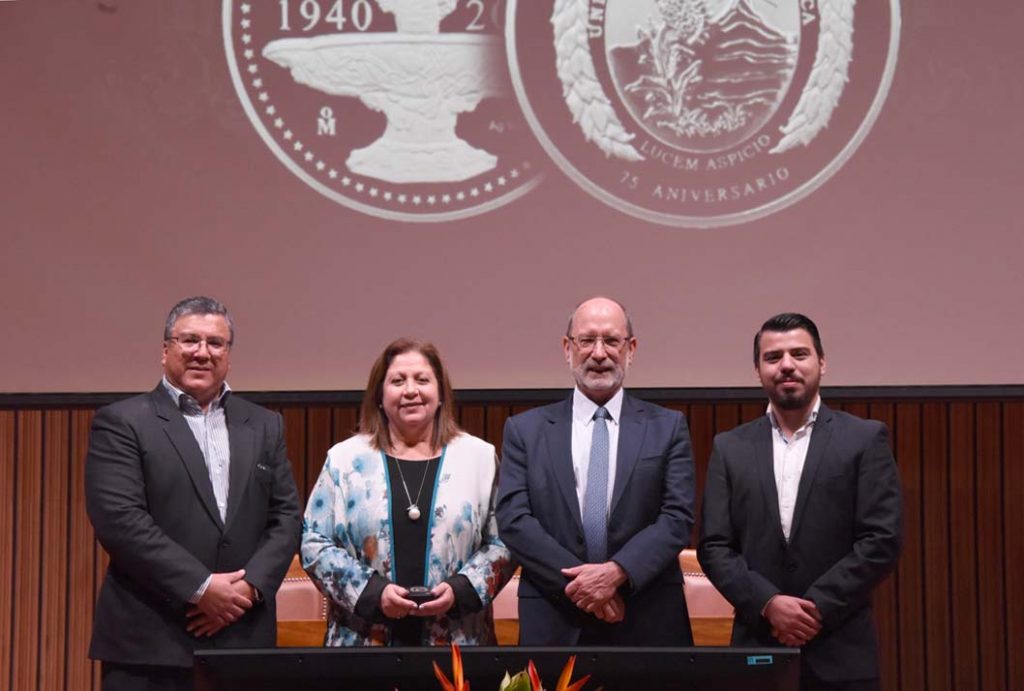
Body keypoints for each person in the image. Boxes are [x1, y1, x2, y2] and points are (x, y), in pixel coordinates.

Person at [85, 296, 302, 691]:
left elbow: (286, 517)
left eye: (215, 343)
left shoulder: (265, 425)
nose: (202, 352)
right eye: (189, 340)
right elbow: (121, 522)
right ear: (165, 350)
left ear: (229, 356)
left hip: (243, 639)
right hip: (150, 644)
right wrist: (202, 589)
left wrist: (246, 590)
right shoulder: (122, 422)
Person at [698, 313, 903, 691]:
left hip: (840, 653)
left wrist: (814, 609)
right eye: (773, 357)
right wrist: (769, 603)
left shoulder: (863, 439)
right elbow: (714, 547)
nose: (787, 365)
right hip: (756, 651)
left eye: (799, 354)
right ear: (758, 370)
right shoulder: (730, 447)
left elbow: (881, 539)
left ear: (821, 363)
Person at [496, 297, 695, 645]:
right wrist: (584, 586)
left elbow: (676, 518)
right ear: (567, 348)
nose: (599, 353)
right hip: (554, 616)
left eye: (611, 341)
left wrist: (617, 573)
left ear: (631, 349)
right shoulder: (525, 431)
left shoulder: (668, 427)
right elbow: (514, 520)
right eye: (586, 341)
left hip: (646, 616)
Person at [302, 338, 513, 646]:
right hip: (362, 643)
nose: (410, 390)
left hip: (457, 645)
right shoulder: (344, 460)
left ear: (440, 393)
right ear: (379, 395)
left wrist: (461, 590)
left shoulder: (479, 457)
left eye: (422, 380)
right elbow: (313, 542)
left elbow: (504, 541)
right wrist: (373, 593)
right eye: (397, 381)